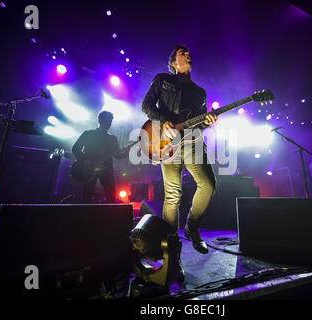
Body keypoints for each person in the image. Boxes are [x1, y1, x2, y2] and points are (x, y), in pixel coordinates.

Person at [141, 45, 218, 281]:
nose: (188, 53)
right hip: (167, 143)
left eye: (189, 52)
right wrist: (163, 120)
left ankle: (192, 226)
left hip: (193, 142)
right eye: (182, 52)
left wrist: (209, 121)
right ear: (173, 61)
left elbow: (199, 122)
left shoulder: (199, 91)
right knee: (172, 195)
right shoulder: (162, 79)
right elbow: (146, 105)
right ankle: (172, 258)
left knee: (208, 184)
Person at [72, 111, 122, 203]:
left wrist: (124, 153)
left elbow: (117, 156)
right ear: (100, 120)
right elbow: (75, 148)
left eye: (111, 121)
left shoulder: (112, 138)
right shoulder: (88, 134)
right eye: (108, 121)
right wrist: (84, 160)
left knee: (111, 196)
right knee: (87, 197)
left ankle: (110, 216)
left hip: (106, 170)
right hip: (88, 169)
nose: (109, 124)